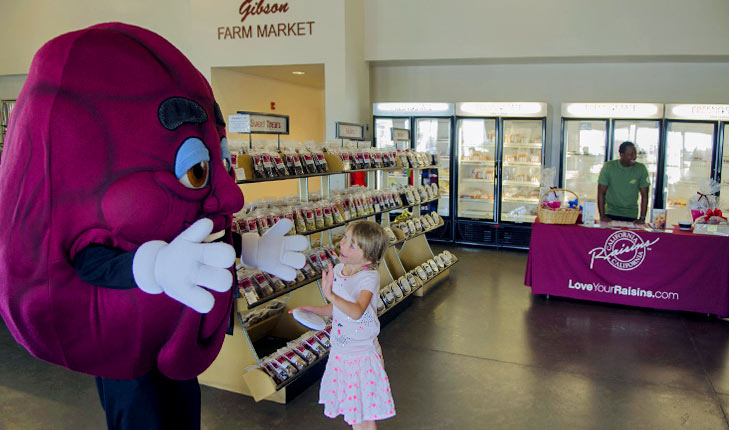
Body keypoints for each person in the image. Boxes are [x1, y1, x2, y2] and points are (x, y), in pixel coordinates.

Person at [291, 220, 395, 429]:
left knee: (365, 415)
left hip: (362, 354)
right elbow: (337, 309)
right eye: (345, 238)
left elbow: (356, 311)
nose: (343, 244)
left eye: (352, 245)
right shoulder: (339, 270)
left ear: (369, 254)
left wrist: (330, 293)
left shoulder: (369, 277)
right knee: (354, 411)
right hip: (341, 352)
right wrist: (313, 310)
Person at [597, 141, 650, 223]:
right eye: (630, 154)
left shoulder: (641, 169)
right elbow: (601, 192)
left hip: (631, 215)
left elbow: (645, 195)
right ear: (621, 155)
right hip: (610, 214)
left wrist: (642, 218)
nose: (634, 157)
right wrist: (602, 215)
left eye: (635, 153)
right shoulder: (609, 167)